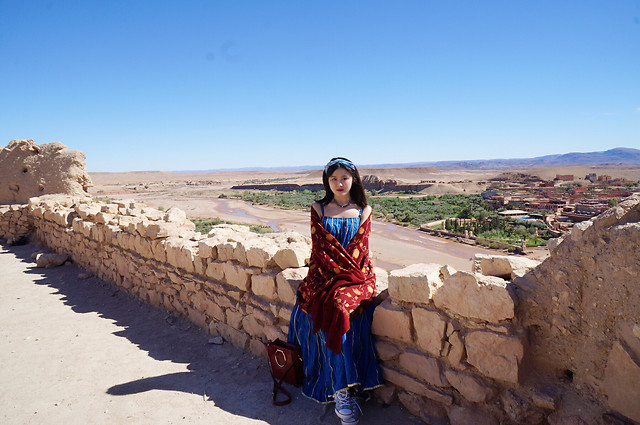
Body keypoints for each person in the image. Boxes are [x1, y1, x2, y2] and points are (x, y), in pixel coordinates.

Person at [287, 157, 383, 425]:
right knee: (330, 308)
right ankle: (343, 392)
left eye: (344, 178)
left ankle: (344, 390)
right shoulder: (318, 208)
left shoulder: (364, 210)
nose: (339, 183)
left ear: (354, 180)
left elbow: (360, 254)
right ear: (326, 182)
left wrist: (346, 280)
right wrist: (332, 281)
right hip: (322, 276)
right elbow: (321, 251)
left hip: (356, 277)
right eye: (334, 179)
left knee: (339, 308)